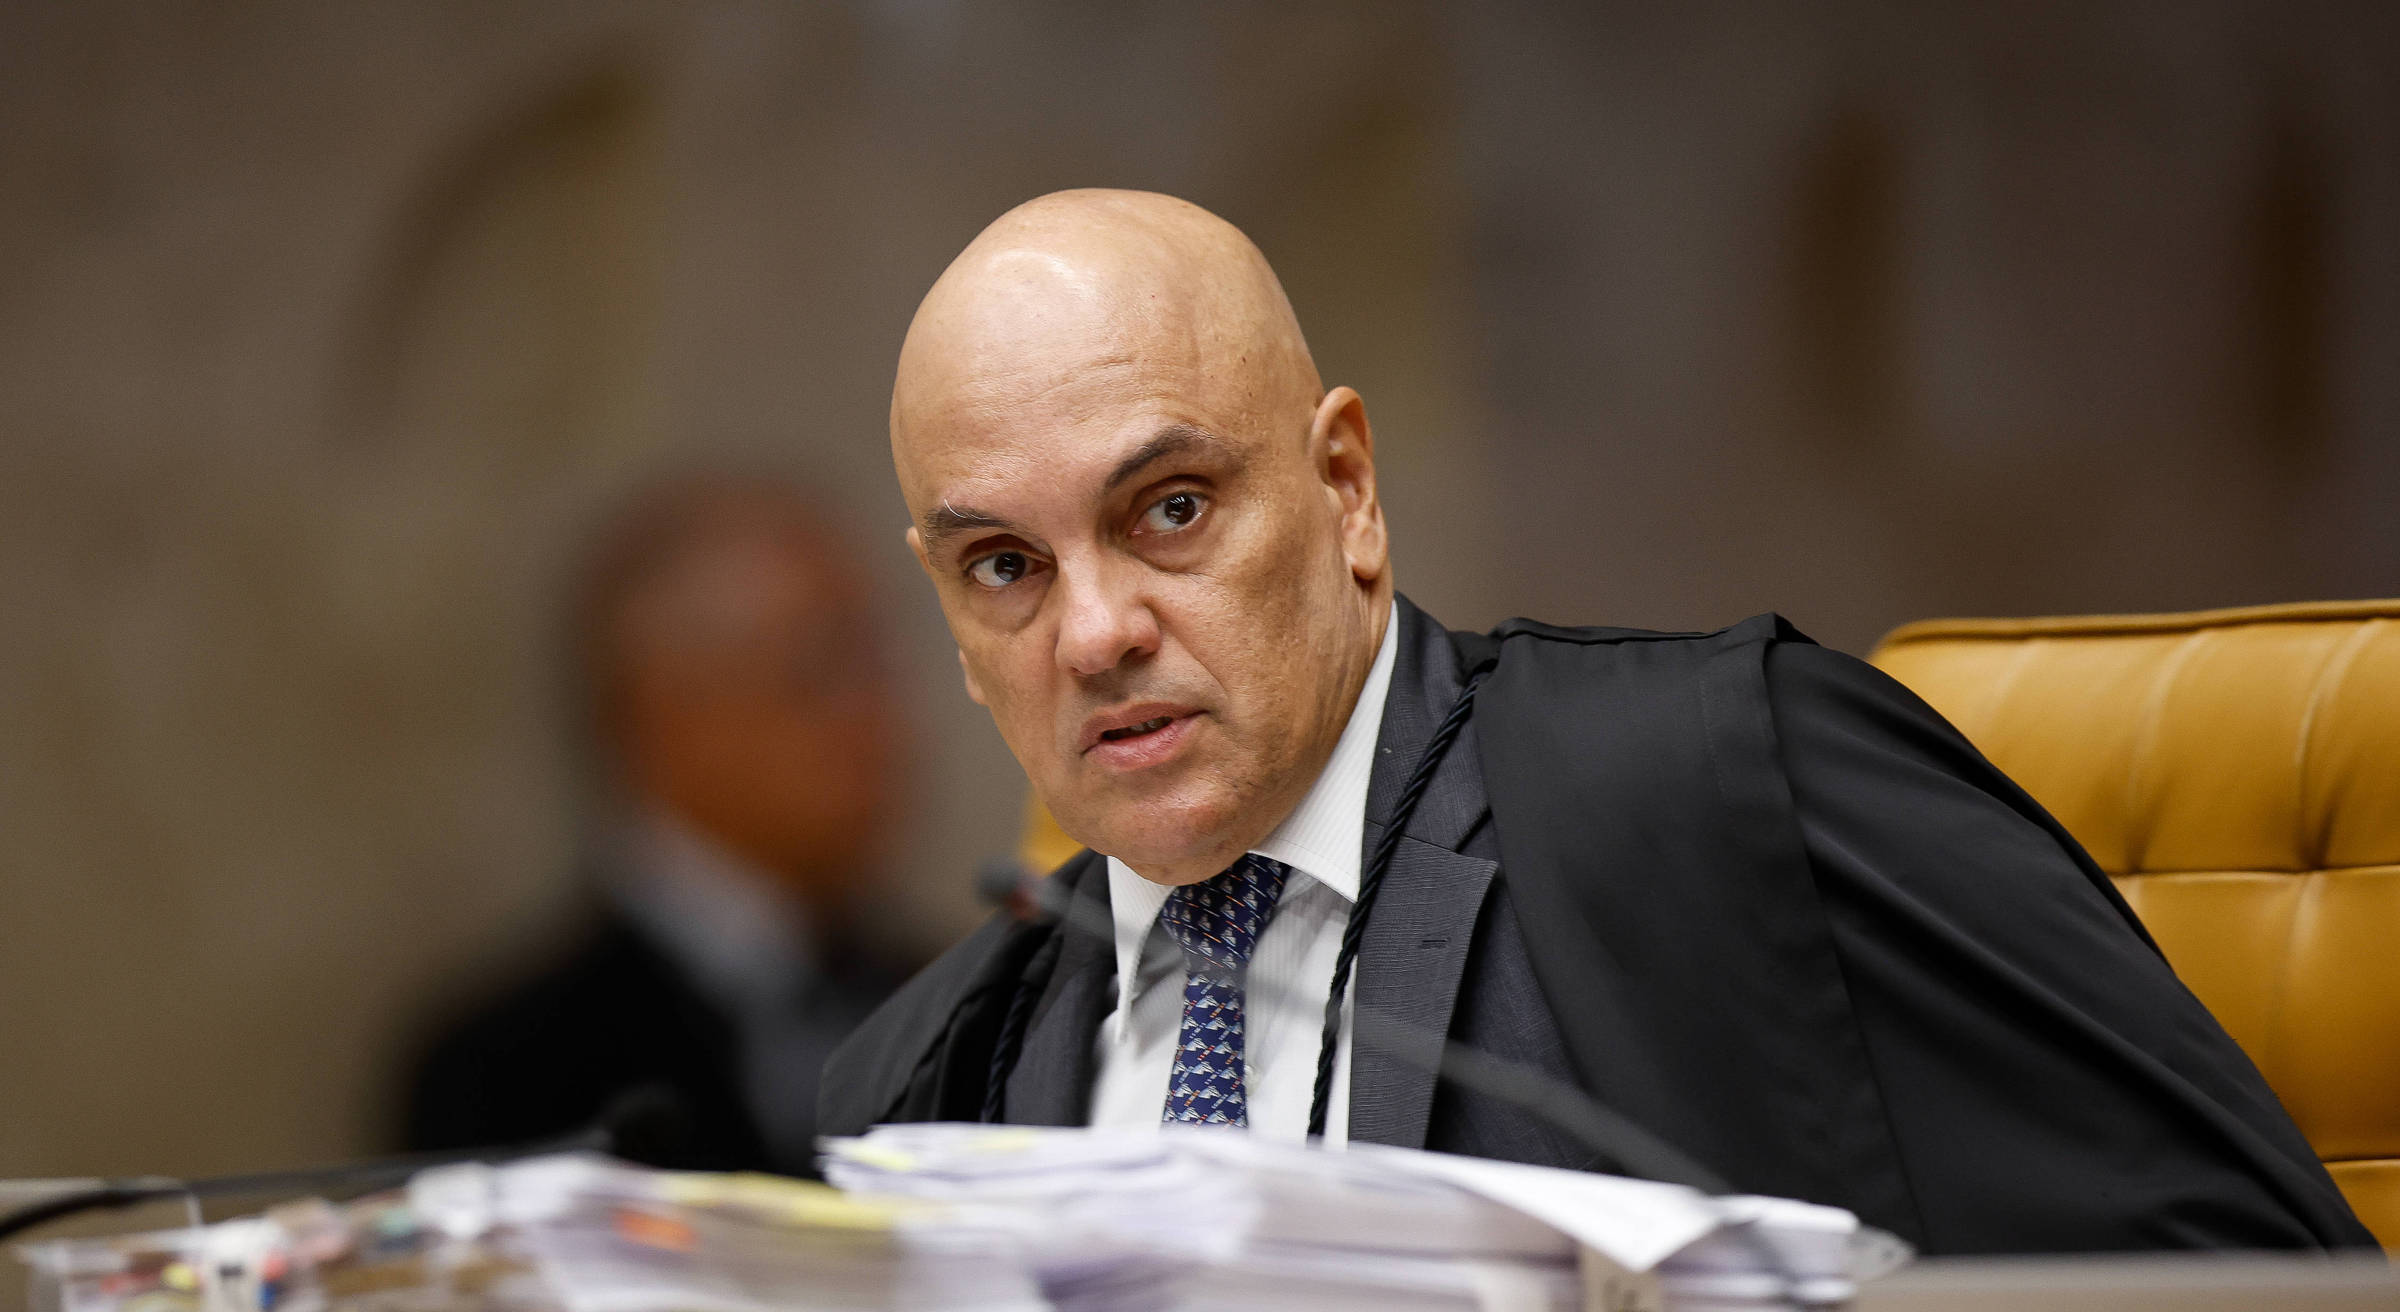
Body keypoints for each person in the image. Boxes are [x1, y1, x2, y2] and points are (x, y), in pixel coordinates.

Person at [820, 189, 2372, 1255]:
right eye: (1005, 566)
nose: (1096, 632)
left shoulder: (1731, 787)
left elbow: (2265, 1309)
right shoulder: (921, 1085)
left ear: (1346, 491)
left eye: (1170, 509)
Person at [406, 477, 917, 1174]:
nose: (881, 723)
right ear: (659, 714)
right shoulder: (505, 1070)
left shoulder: (948, 1003)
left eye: (877, 669)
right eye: (817, 672)